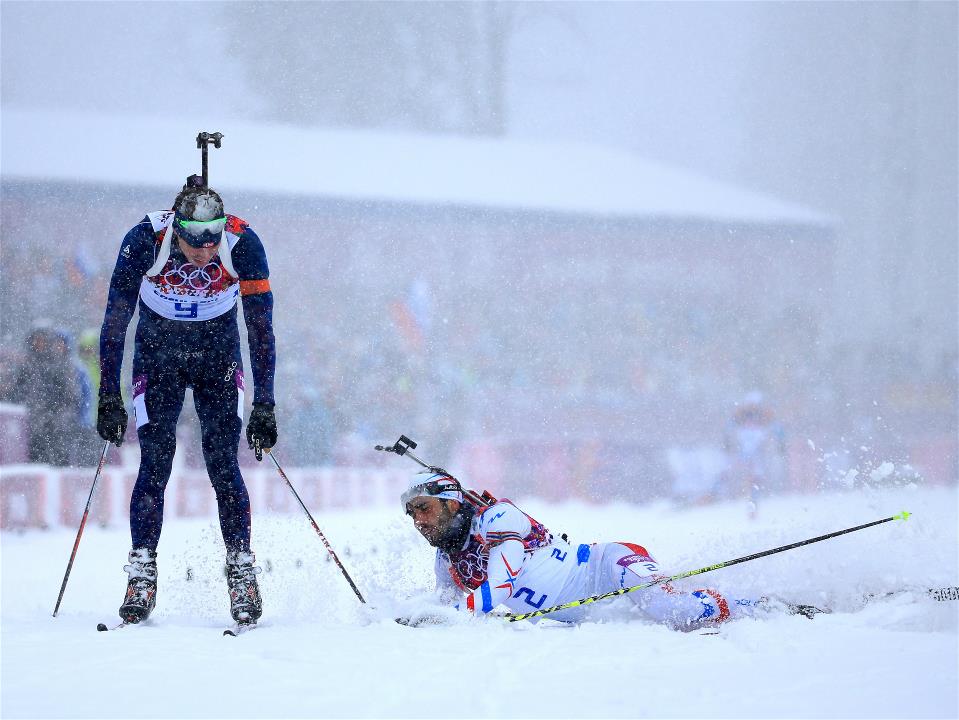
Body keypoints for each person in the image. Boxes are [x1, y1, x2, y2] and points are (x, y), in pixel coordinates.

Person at [97, 176, 277, 626]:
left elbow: (260, 328)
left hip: (218, 355)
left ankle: (241, 570)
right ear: (175, 228)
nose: (204, 250)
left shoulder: (244, 242)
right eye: (194, 240)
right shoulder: (144, 239)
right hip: (158, 355)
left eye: (212, 239)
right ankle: (141, 569)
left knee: (222, 464)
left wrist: (265, 403)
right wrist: (107, 393)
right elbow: (116, 316)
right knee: (155, 463)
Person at [400, 470, 822, 628]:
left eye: (424, 508)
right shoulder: (447, 560)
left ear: (452, 501)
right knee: (660, 611)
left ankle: (767, 607)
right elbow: (446, 609)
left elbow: (500, 591)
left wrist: (442, 615)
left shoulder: (497, 517)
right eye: (411, 514)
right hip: (594, 607)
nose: (419, 520)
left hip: (607, 567)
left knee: (671, 613)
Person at [9, 326, 83, 466]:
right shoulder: (26, 365)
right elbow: (17, 392)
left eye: (43, 340)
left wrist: (56, 414)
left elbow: (71, 395)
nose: (39, 344)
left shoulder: (61, 364)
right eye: (36, 340)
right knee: (35, 462)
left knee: (58, 459)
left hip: (56, 424)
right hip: (33, 424)